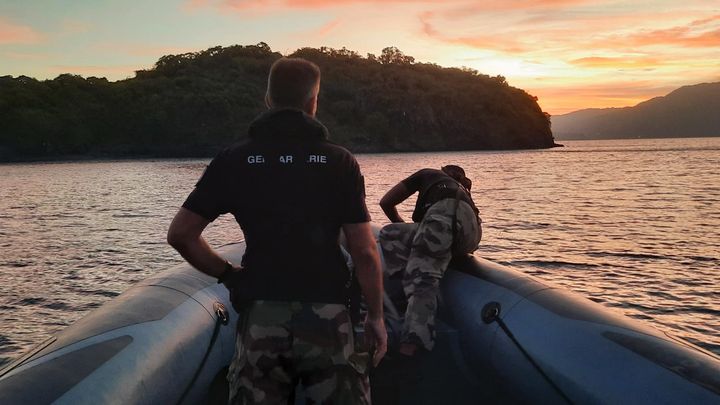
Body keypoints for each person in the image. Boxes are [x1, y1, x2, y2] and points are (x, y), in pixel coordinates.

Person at [167, 57, 386, 404]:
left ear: (268, 99)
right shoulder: (339, 161)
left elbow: (181, 235)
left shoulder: (233, 159)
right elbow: (363, 250)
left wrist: (229, 274)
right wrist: (375, 316)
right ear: (313, 101)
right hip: (329, 315)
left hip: (261, 313)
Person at [378, 165, 481, 357]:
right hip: (472, 234)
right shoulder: (462, 191)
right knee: (391, 234)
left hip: (442, 219)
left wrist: (401, 222)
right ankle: (411, 293)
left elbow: (386, 202)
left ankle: (412, 344)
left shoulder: (427, 175)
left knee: (422, 274)